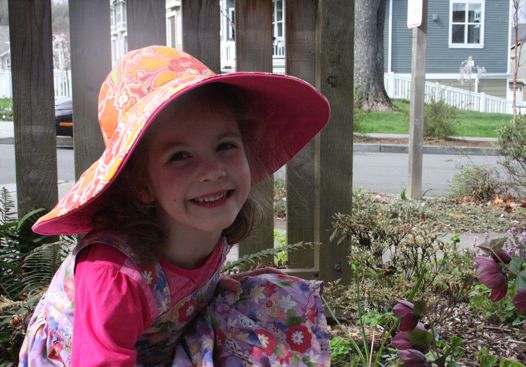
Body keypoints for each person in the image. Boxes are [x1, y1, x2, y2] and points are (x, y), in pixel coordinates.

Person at [18, 45, 331, 366]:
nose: (213, 170)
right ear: (141, 185)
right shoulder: (114, 273)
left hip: (151, 348)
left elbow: (175, 291)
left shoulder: (204, 225)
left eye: (225, 146)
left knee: (268, 299)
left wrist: (208, 292)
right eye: (180, 156)